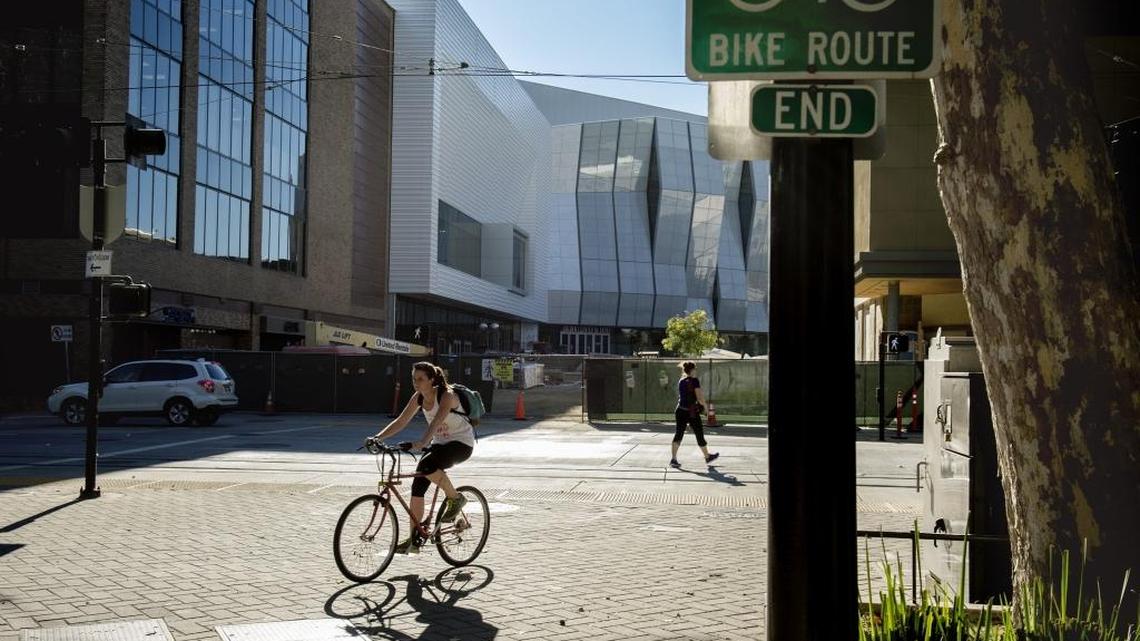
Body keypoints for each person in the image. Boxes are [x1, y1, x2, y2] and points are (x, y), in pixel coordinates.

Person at [371, 361, 475, 554]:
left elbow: (436, 421)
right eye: (414, 379)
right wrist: (378, 437)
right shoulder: (418, 397)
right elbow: (401, 420)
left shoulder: (447, 395)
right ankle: (415, 539)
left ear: (432, 380)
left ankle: (456, 498)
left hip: (461, 444)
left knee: (427, 464)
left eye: (420, 379)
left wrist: (422, 442)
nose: (416, 383)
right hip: (440, 445)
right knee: (417, 486)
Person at [670, 361, 719, 468]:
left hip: (680, 410)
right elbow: (700, 398)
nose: (696, 371)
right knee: (699, 433)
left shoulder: (681, 381)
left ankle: (673, 459)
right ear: (692, 370)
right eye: (695, 369)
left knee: (679, 434)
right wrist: (706, 410)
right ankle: (707, 457)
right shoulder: (695, 381)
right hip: (692, 411)